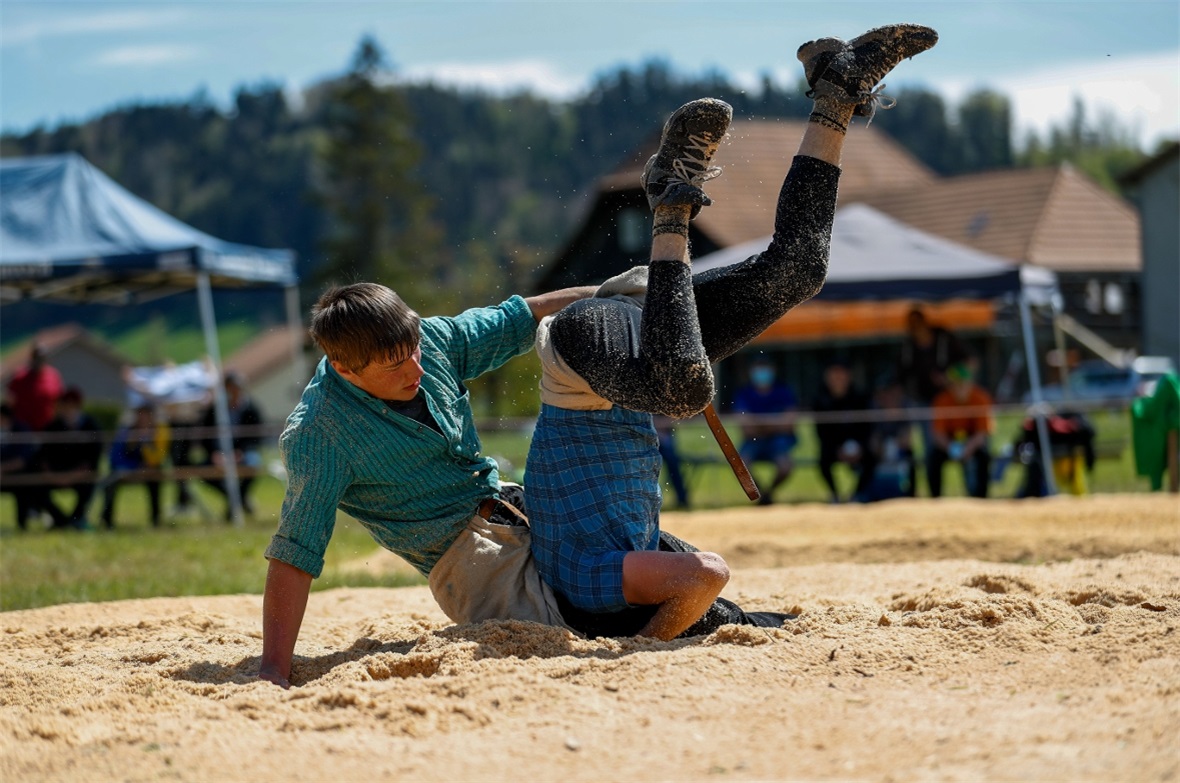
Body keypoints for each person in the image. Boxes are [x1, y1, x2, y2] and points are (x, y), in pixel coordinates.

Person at [526, 24, 939, 640]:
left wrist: (648, 642)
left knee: (681, 388)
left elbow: (701, 578)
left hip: (587, 345)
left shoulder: (591, 591)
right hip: (654, 337)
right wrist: (738, 625)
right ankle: (836, 97)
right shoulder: (636, 560)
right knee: (799, 268)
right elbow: (707, 600)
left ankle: (670, 204)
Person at [259, 280, 599, 688]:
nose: (416, 369)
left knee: (643, 569)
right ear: (344, 368)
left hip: (521, 507)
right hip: (471, 565)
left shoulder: (430, 341)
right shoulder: (319, 434)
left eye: (414, 351)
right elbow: (295, 555)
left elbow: (523, 315)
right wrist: (272, 671)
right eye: (394, 366)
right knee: (590, 621)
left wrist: (620, 291)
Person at [897, 307, 969, 494]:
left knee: (962, 445)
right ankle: (934, 495)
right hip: (922, 403)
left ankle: (972, 493)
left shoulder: (944, 339)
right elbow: (902, 375)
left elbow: (968, 363)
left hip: (949, 402)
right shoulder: (909, 345)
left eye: (917, 324)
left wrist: (949, 377)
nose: (915, 329)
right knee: (930, 449)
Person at [731, 358, 799, 505]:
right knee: (741, 466)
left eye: (765, 368)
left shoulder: (783, 391)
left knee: (785, 466)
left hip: (778, 441)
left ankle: (767, 494)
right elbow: (746, 428)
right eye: (758, 368)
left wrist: (760, 425)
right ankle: (762, 494)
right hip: (754, 441)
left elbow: (789, 423)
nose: (762, 374)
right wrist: (775, 424)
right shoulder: (745, 393)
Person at [38, 387, 104, 529]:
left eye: (72, 405)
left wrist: (71, 476)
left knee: (89, 485)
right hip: (55, 474)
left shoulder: (90, 425)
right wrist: (53, 476)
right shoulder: (53, 426)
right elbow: (42, 456)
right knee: (34, 487)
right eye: (64, 404)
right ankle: (61, 520)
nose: (68, 409)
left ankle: (76, 519)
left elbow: (94, 459)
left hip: (81, 475)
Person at [812, 358, 876, 503]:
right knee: (824, 458)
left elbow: (867, 427)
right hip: (833, 445)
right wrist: (837, 449)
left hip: (857, 443)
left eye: (841, 374)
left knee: (871, 458)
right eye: (834, 374)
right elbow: (821, 432)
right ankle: (835, 495)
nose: (838, 379)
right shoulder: (821, 400)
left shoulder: (860, 397)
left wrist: (859, 446)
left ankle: (857, 496)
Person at [200, 373, 263, 518]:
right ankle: (238, 500)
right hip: (218, 454)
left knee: (253, 464)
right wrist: (214, 454)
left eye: (237, 388)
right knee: (203, 470)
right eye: (231, 388)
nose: (234, 391)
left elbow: (257, 436)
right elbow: (205, 435)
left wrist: (239, 452)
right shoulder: (215, 409)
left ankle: (236, 502)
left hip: (244, 452)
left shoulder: (251, 408)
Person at [928, 361, 994, 498]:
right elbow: (938, 433)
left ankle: (982, 499)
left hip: (973, 441)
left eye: (963, 383)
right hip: (949, 441)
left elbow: (982, 433)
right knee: (933, 458)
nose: (959, 387)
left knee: (984, 456)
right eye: (955, 383)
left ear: (971, 382)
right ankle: (935, 500)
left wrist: (968, 448)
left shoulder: (981, 397)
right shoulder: (942, 400)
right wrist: (951, 448)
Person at [102, 404, 171, 528]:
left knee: (155, 480)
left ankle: (156, 520)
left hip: (148, 472)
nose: (143, 419)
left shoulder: (159, 431)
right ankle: (106, 520)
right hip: (124, 471)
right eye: (141, 415)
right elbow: (115, 457)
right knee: (110, 483)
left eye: (147, 415)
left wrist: (146, 443)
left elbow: (158, 457)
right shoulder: (126, 431)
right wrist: (132, 443)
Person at [1, 403, 51, 531]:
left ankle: (22, 524)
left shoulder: (21, 430)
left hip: (18, 476)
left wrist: (2, 469)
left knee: (24, 487)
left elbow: (22, 460)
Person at [5, 342, 64, 432]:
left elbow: (59, 402)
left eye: (41, 358)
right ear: (31, 358)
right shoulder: (20, 376)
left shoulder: (53, 376)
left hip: (47, 426)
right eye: (36, 358)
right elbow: (10, 401)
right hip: (23, 427)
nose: (39, 361)